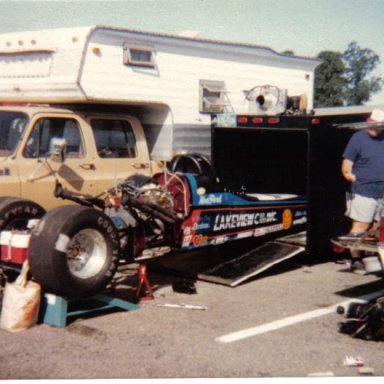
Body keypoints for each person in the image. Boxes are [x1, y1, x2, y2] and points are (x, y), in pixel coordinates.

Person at [339, 109, 384, 271]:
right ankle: (355, 259)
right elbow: (346, 166)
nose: (372, 127)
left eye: (376, 125)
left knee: (380, 227)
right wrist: (352, 177)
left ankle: (373, 256)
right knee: (361, 226)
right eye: (370, 124)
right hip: (363, 190)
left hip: (382, 191)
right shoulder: (358, 138)